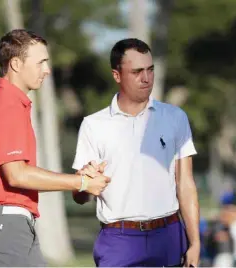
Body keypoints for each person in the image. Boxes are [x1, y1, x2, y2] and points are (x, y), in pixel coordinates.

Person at [0, 29, 110, 267]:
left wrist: (78, 179)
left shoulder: (4, 103)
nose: (47, 70)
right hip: (3, 229)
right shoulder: (7, 105)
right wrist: (81, 182)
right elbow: (17, 174)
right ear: (16, 64)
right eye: (41, 62)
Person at [71, 38, 200, 267]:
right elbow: (81, 196)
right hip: (118, 239)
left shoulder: (175, 118)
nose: (146, 78)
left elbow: (186, 184)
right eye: (137, 71)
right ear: (117, 75)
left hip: (168, 235)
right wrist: (85, 181)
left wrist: (195, 242)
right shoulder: (93, 125)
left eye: (150, 70)